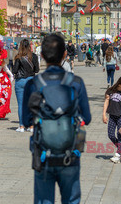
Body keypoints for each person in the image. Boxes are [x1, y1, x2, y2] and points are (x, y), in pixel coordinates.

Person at [22, 33, 91, 204]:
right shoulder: (76, 82)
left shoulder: (34, 84)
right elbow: (87, 118)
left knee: (44, 200)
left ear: (42, 56)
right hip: (70, 152)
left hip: (43, 152)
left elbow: (25, 120)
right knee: (71, 199)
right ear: (65, 54)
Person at [102, 76, 121, 164]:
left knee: (120, 135)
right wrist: (104, 114)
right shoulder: (110, 91)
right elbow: (106, 102)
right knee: (111, 134)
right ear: (119, 84)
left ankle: (118, 154)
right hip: (112, 115)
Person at [13, 39, 39, 133]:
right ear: (29, 46)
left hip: (20, 81)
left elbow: (15, 71)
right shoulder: (34, 56)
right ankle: (31, 126)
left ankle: (22, 126)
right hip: (31, 81)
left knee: (21, 104)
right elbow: (37, 70)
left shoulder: (18, 57)